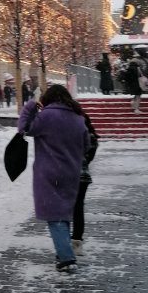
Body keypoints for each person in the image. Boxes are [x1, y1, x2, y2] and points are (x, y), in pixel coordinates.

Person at [17, 83, 90, 273]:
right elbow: (86, 144)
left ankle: (66, 258)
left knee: (54, 216)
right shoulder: (77, 117)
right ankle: (62, 250)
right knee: (64, 213)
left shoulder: (47, 116)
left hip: (49, 172)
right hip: (71, 173)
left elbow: (24, 128)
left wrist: (30, 107)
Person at [71, 110, 99, 255]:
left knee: (65, 209)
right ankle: (77, 242)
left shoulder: (70, 130)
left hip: (69, 174)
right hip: (83, 176)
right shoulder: (90, 135)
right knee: (78, 208)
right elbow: (90, 153)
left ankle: (65, 242)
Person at [126, 48, 148, 115]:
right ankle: (136, 109)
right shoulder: (137, 68)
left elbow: (128, 77)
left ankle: (133, 102)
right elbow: (140, 75)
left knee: (136, 95)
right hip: (138, 83)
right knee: (138, 96)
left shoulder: (129, 68)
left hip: (132, 84)